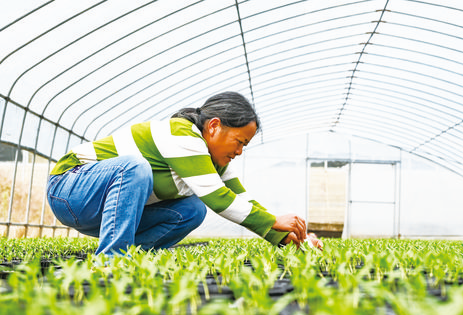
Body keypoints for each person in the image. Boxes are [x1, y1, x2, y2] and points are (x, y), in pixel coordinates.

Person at [46, 91, 322, 255]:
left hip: (100, 211)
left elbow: (241, 200)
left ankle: (133, 254)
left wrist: (293, 240)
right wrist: (274, 219)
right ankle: (112, 258)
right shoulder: (181, 135)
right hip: (70, 191)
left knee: (192, 210)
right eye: (239, 142)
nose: (239, 151)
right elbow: (218, 199)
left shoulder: (214, 160)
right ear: (214, 126)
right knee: (134, 167)